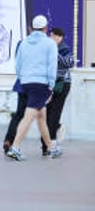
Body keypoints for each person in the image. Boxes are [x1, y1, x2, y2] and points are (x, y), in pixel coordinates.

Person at [6, 14, 59, 161]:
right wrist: (51, 85)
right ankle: (15, 147)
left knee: (41, 116)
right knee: (28, 117)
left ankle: (50, 148)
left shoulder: (24, 43)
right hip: (41, 84)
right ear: (46, 28)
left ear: (32, 27)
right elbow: (52, 65)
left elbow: (18, 65)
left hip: (26, 83)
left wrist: (24, 78)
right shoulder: (50, 44)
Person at [44, 26, 74, 156]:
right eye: (50, 36)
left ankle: (52, 144)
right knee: (46, 114)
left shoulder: (65, 49)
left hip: (62, 84)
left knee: (55, 113)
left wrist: (54, 53)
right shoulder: (46, 49)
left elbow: (69, 63)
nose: (50, 38)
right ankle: (46, 145)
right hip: (48, 84)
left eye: (53, 36)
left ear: (59, 37)